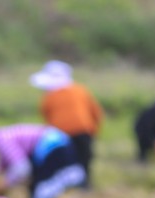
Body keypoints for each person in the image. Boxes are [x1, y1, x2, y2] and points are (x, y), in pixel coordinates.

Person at [0, 124, 86, 198]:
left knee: (43, 184)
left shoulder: (1, 140)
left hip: (51, 146)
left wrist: (6, 183)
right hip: (56, 142)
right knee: (39, 185)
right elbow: (3, 165)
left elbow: (21, 168)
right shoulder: (2, 138)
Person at [30, 60, 104, 189]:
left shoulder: (49, 97)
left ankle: (68, 183)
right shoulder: (81, 90)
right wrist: (95, 129)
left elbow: (46, 115)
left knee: (68, 159)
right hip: (84, 129)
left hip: (61, 133)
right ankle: (84, 184)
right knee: (85, 158)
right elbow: (96, 111)